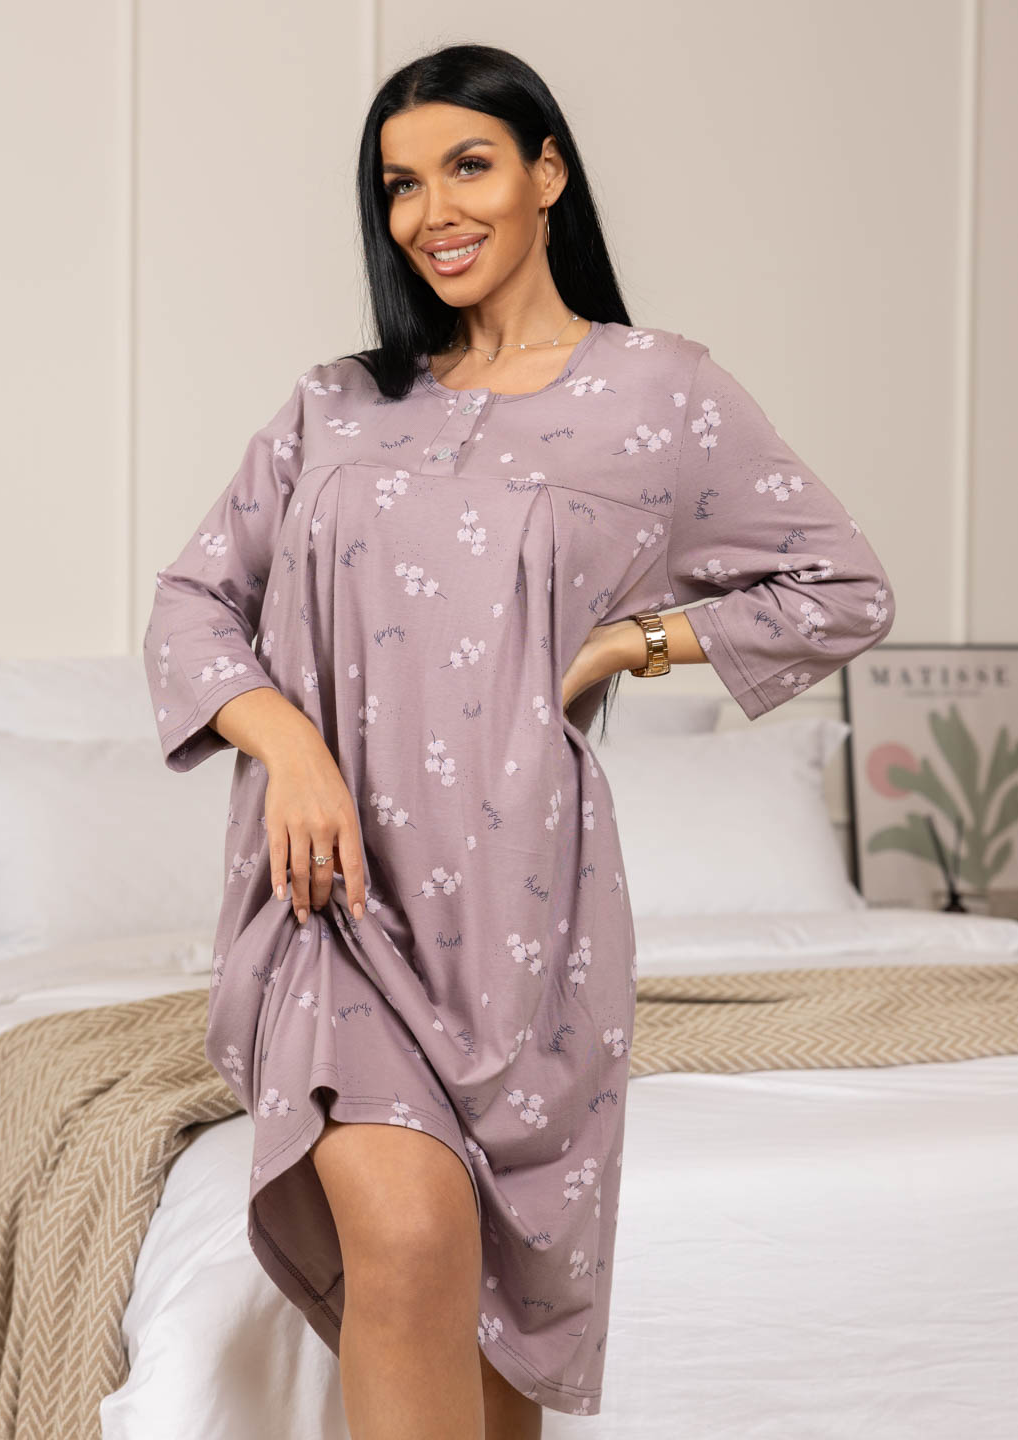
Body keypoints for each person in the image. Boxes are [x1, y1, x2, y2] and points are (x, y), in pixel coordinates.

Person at [142, 41, 895, 1440]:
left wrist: (634, 642)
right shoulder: (334, 404)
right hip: (330, 901)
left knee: (494, 1311)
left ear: (547, 174)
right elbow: (194, 603)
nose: (432, 211)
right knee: (411, 1240)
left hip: (526, 924)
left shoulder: (660, 393)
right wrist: (290, 748)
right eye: (399, 184)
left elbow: (841, 587)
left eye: (468, 167)